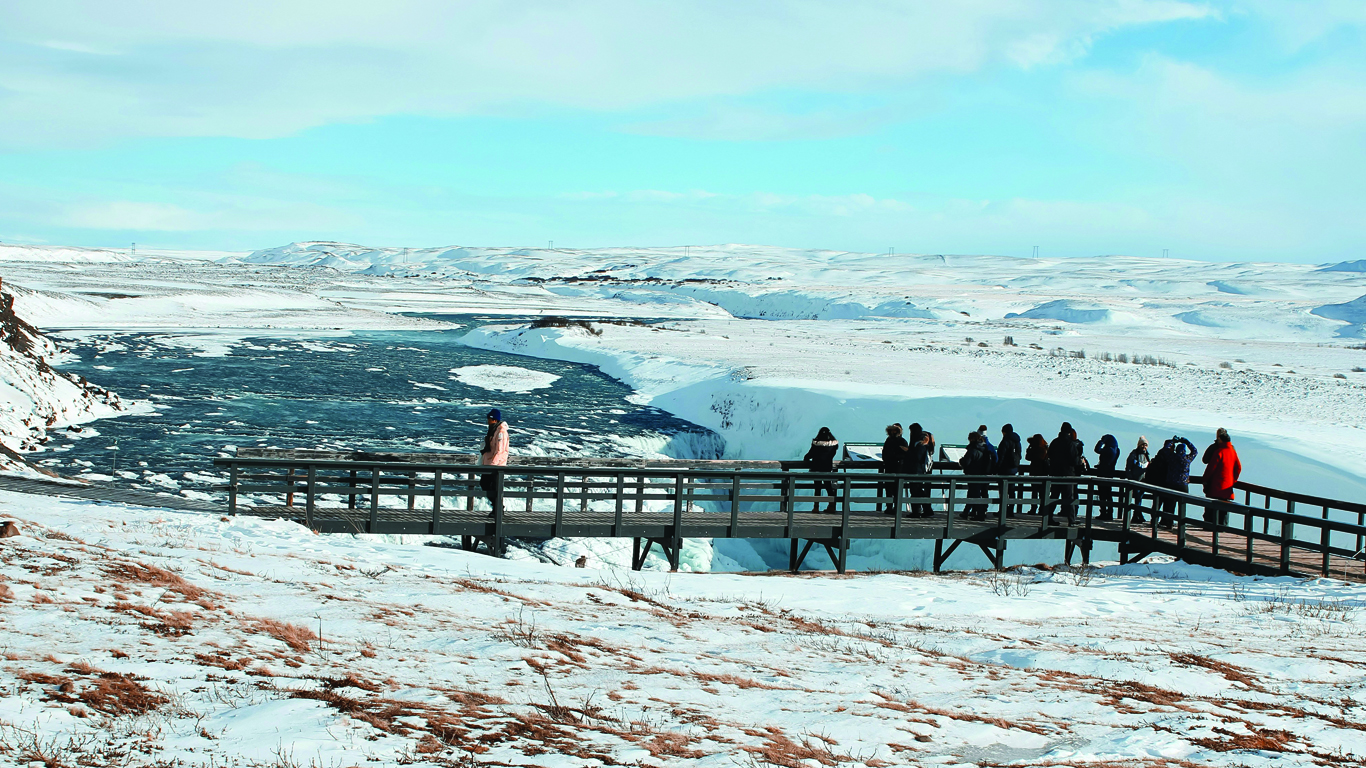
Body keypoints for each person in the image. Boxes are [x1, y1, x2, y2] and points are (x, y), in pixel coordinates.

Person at [1044, 422, 1087, 522]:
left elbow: (1049, 455)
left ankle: (1048, 518)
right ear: (1069, 432)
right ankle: (1071, 520)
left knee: (1054, 496)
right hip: (1068, 474)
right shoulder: (1070, 444)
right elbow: (1073, 460)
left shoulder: (1055, 442)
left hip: (1055, 473)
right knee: (1068, 497)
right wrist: (1080, 460)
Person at [1154, 436, 1198, 529]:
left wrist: (1172, 441)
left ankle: (1168, 523)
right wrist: (1186, 441)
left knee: (1170, 505)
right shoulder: (1187, 459)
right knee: (1182, 506)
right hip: (1183, 485)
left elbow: (1165, 449)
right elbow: (1195, 451)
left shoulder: (1171, 457)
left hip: (1171, 484)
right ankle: (1181, 525)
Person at [1201, 428, 1241, 524]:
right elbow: (1238, 468)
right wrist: (1233, 480)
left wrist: (1205, 480)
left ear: (1219, 438)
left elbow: (1210, 467)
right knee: (1223, 512)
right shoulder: (1233, 450)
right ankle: (1222, 530)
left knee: (1211, 510)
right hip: (1227, 487)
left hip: (1215, 486)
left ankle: (1209, 528)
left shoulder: (1218, 451)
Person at [479, 409, 510, 515]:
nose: (487, 421)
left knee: (493, 487)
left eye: (489, 419)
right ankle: (497, 507)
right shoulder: (493, 430)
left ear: (494, 420)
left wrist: (493, 465)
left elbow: (500, 451)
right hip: (489, 463)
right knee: (485, 484)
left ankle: (498, 509)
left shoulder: (501, 432)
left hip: (496, 465)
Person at [959, 431, 995, 520]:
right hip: (983, 475)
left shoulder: (973, 449)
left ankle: (980, 514)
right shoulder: (985, 448)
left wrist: (961, 460)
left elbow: (966, 462)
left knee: (974, 494)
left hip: (973, 474)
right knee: (973, 493)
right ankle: (966, 512)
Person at [803, 427, 840, 513]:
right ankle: (831, 506)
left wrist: (806, 458)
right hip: (827, 468)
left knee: (817, 488)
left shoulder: (816, 444)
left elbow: (810, 455)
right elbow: (832, 454)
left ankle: (816, 507)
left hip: (816, 468)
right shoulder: (833, 445)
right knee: (828, 487)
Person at [880, 424, 908, 513]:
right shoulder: (889, 440)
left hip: (897, 467)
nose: (893, 432)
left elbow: (906, 454)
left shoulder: (902, 441)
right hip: (891, 467)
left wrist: (894, 458)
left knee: (896, 488)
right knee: (889, 488)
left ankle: (896, 507)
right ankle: (889, 507)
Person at [1093, 433, 1120, 520]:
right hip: (1110, 474)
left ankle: (1104, 512)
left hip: (1103, 474)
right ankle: (1110, 513)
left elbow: (1097, 450)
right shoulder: (1116, 450)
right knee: (1108, 494)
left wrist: (1101, 441)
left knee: (1103, 494)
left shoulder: (1108, 450)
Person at [907, 430, 935, 517]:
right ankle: (926, 509)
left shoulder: (920, 446)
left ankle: (918, 511)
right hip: (922, 472)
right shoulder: (928, 447)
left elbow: (917, 458)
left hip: (916, 471)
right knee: (919, 491)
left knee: (915, 491)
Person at [997, 424, 1022, 516]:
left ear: (1004, 432)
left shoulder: (1005, 441)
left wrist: (997, 468)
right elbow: (1019, 455)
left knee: (1003, 491)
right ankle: (1010, 511)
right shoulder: (1017, 441)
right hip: (1013, 469)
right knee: (1011, 491)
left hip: (1004, 469)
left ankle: (1003, 511)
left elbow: (1001, 456)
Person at [1125, 437, 1151, 523]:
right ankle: (1137, 515)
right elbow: (1128, 467)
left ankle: (1137, 515)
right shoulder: (1134, 454)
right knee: (1138, 498)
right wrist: (1130, 478)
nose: (1144, 446)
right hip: (1135, 480)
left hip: (1143, 480)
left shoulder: (1147, 455)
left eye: (1146, 445)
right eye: (1143, 444)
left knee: (1139, 498)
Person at [1024, 433, 1049, 514]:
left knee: (1034, 492)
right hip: (1044, 473)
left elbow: (1027, 457)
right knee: (1043, 493)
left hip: (1034, 472)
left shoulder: (1034, 449)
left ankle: (1033, 508)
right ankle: (1042, 509)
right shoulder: (1045, 449)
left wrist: (1029, 448)